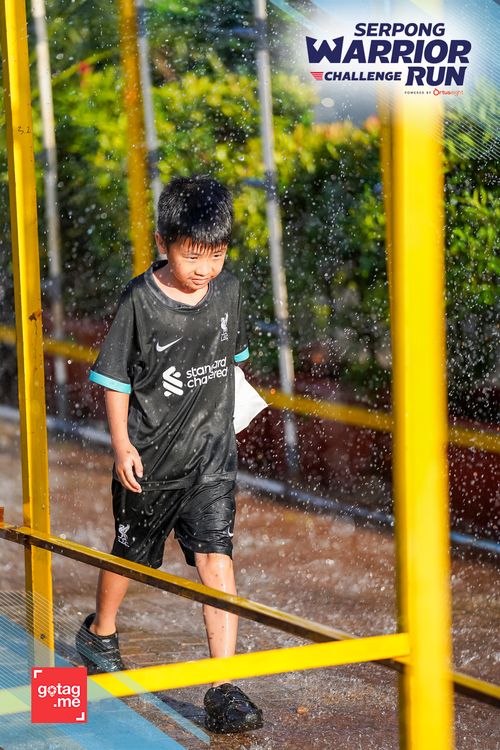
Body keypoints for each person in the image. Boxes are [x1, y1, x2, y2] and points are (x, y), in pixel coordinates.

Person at [75, 175, 263, 733]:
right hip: (151, 459)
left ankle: (223, 685)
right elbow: (115, 380)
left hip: (211, 458)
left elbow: (233, 362)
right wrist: (122, 446)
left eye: (217, 255)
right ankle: (101, 632)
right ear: (164, 243)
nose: (205, 269)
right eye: (192, 256)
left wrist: (233, 416)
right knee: (131, 554)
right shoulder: (140, 300)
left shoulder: (228, 291)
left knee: (216, 559)